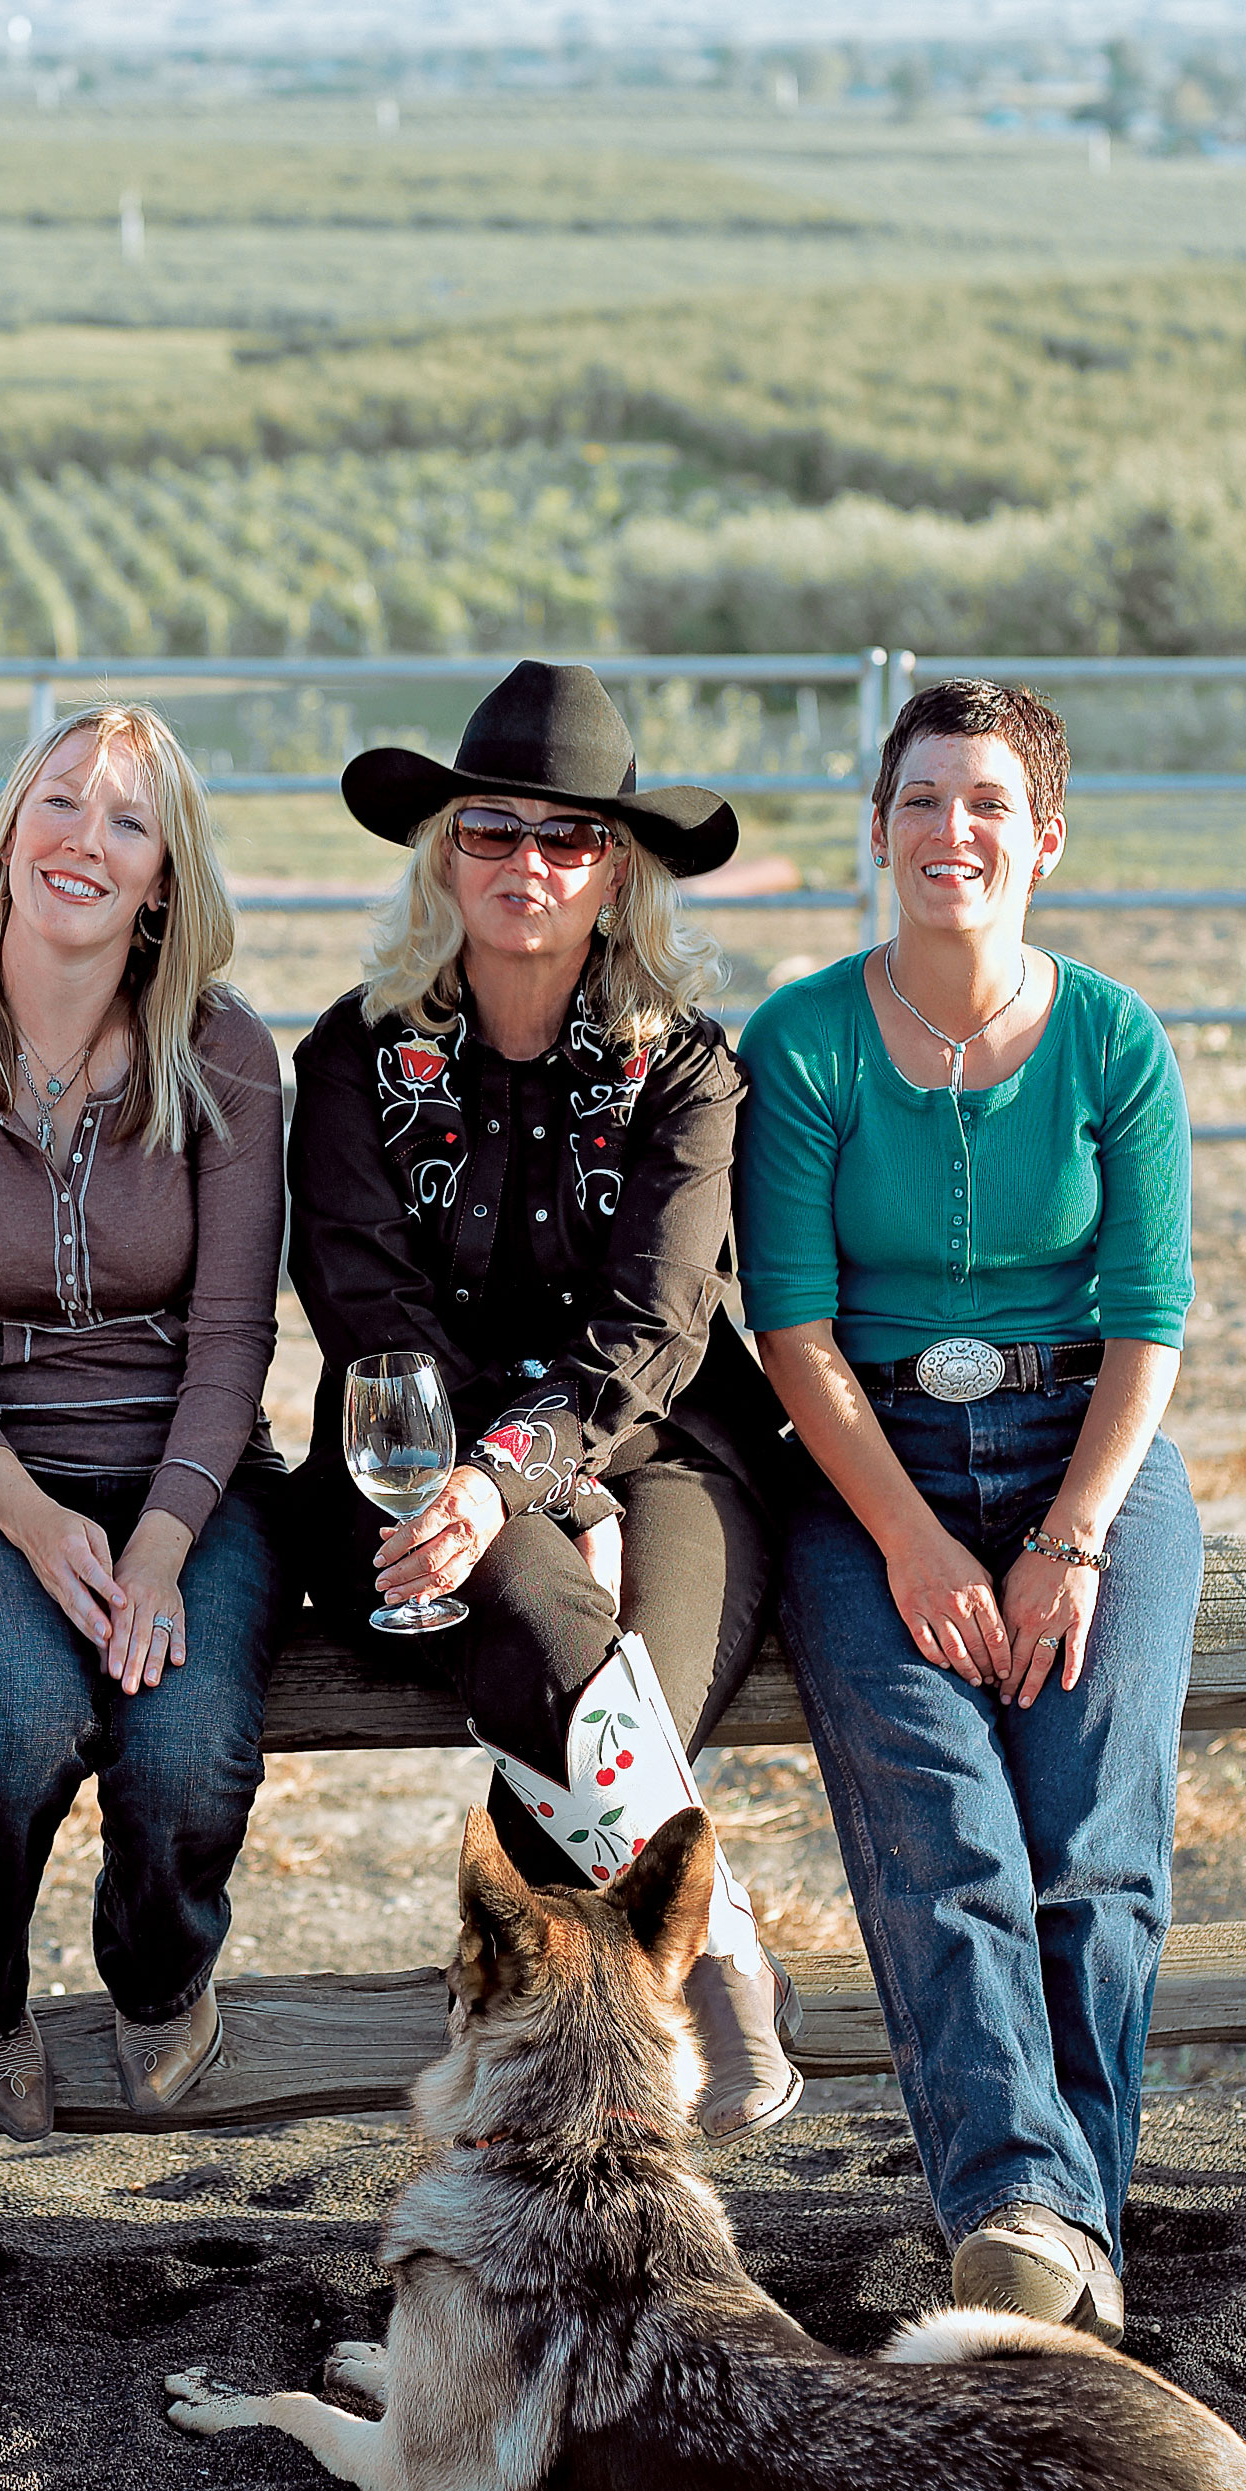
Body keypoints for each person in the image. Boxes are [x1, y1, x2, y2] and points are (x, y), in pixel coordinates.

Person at [737, 677, 1199, 2345]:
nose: (955, 833)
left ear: (1047, 839)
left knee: (1091, 1846)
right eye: (925, 800)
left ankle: (1060, 2236)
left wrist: (1072, 1534)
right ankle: (1021, 2207)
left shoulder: (1115, 1041)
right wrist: (917, 1541)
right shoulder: (800, 1043)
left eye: (991, 803)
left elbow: (1150, 1314)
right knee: (945, 1832)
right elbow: (787, 1324)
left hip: (1091, 1450)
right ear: (879, 829)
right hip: (872, 1471)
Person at [288, 659, 802, 2140]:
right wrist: (522, 1498)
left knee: (598, 1686)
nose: (527, 862)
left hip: (668, 1450)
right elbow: (371, 1316)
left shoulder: (690, 1069)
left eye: (566, 837)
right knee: (531, 1616)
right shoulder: (353, 1060)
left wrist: (548, 1483)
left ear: (615, 868)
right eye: (492, 828)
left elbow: (654, 1322)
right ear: (443, 851)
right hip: (405, 1458)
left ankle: (547, 2112)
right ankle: (720, 1937)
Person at [0, 704, 289, 2139]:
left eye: (126, 820)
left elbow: (234, 1338)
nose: (82, 842)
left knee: (184, 1751)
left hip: (192, 1473)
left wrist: (159, 1548)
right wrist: (33, 1523)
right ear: (8, 830)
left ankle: (158, 1976)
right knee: (14, 1722)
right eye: (59, 804)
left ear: (165, 875)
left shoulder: (225, 1054)